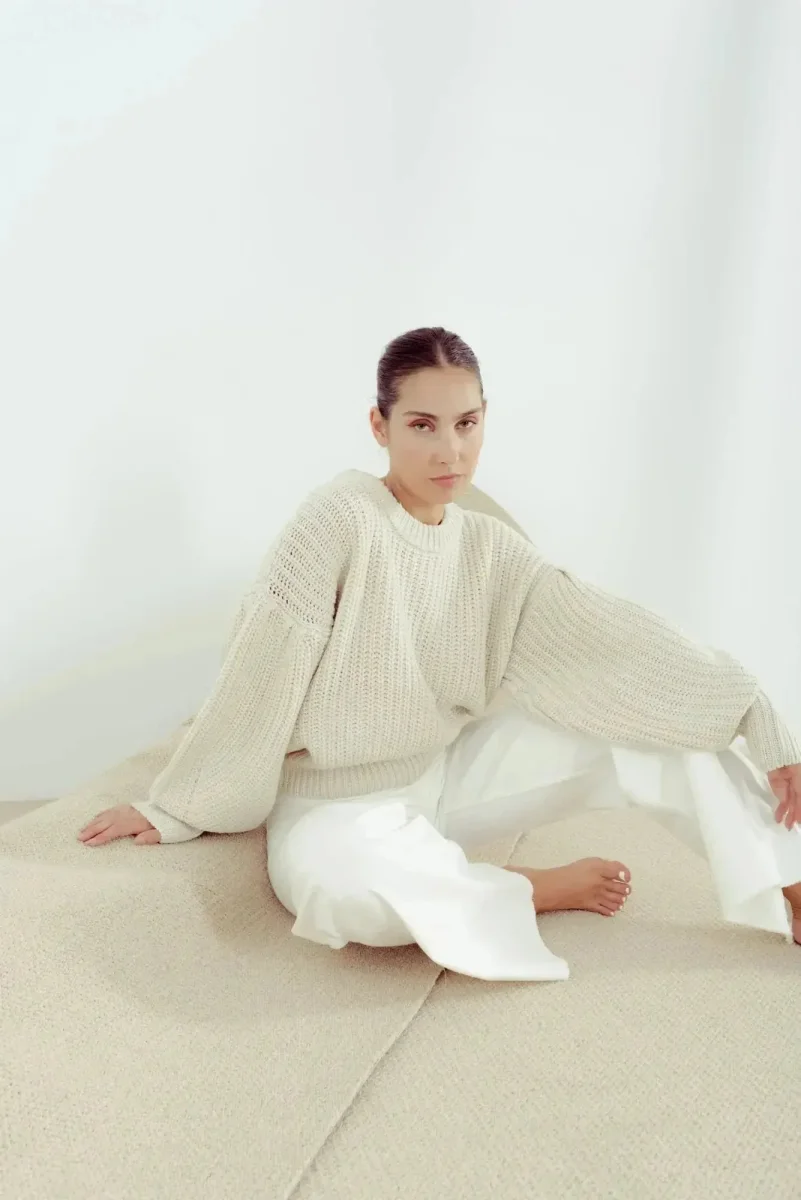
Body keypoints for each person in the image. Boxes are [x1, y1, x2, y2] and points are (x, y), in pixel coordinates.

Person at [77, 327, 801, 982]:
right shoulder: (337, 519)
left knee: (667, 728)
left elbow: (614, 636)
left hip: (444, 777)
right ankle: (531, 889)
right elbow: (261, 668)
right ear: (380, 426)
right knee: (344, 897)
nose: (448, 450)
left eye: (466, 424)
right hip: (333, 807)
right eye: (422, 425)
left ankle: (795, 886)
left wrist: (754, 711)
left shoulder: (489, 547)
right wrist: (177, 806)